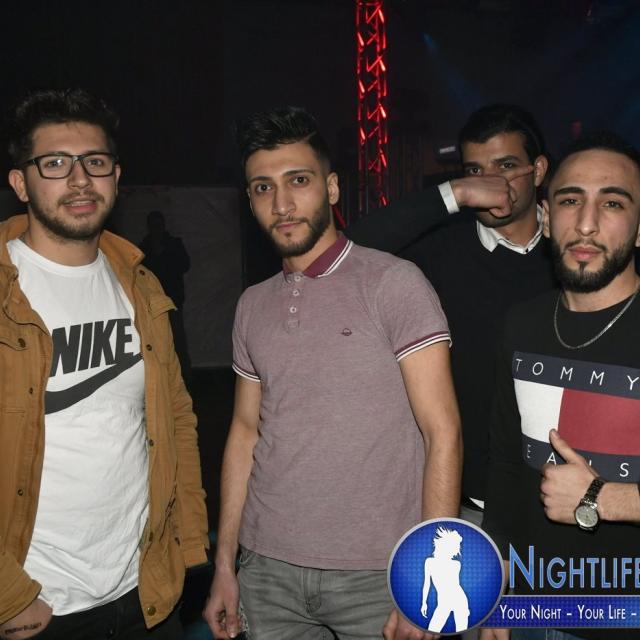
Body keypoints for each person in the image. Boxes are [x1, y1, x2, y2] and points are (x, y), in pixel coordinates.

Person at [203, 106, 462, 640]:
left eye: (298, 180)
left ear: (333, 187)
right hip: (267, 570)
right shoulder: (251, 305)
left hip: (378, 573)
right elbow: (245, 433)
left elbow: (443, 433)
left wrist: (422, 579)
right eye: (263, 188)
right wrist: (225, 564)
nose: (281, 204)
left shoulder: (393, 283)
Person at [0, 89, 208, 640]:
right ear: (20, 183)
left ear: (115, 177)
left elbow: (176, 420)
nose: (79, 180)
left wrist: (189, 545)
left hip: (145, 593)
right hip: (37, 606)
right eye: (55, 163)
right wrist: (6, 595)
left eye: (94, 162)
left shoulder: (141, 285)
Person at [348, 105, 556, 524]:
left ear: (538, 170)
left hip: (559, 503)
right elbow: (352, 250)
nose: (491, 182)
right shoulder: (443, 251)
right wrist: (454, 194)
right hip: (466, 503)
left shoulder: (571, 253)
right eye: (476, 171)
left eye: (506, 166)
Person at [481, 132, 640, 640]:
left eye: (612, 203)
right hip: (535, 609)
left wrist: (604, 498)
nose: (586, 223)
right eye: (570, 200)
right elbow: (507, 466)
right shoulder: (521, 324)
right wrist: (499, 589)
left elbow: (596, 497)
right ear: (547, 218)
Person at [139, 210, 192, 383]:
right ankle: (161, 380)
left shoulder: (173, 244)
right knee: (155, 341)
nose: (156, 228)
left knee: (177, 340)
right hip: (152, 303)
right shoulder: (144, 247)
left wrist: (166, 254)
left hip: (172, 300)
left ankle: (186, 380)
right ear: (149, 227)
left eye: (159, 224)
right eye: (153, 225)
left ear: (163, 225)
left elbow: (185, 265)